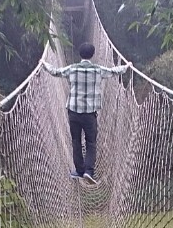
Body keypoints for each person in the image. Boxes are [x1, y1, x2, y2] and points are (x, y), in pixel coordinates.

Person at [42, 43, 130, 183]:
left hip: (74, 113)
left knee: (76, 141)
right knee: (91, 143)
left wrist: (44, 64)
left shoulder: (72, 69)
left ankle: (79, 170)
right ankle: (89, 171)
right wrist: (126, 66)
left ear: (80, 54)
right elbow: (114, 71)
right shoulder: (97, 70)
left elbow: (55, 72)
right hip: (89, 114)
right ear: (92, 54)